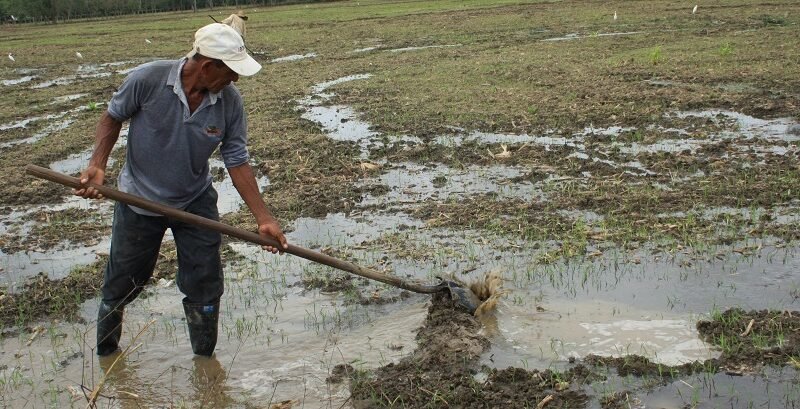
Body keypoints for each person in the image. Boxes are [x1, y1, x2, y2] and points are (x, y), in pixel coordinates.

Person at [74, 23, 288, 357]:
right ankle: (105, 356)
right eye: (232, 72)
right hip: (138, 200)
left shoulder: (229, 102)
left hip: (194, 199)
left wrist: (264, 218)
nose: (236, 80)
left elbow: (236, 159)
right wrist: (98, 163)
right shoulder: (146, 80)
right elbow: (112, 117)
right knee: (123, 283)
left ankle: (205, 364)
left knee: (205, 282)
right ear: (206, 66)